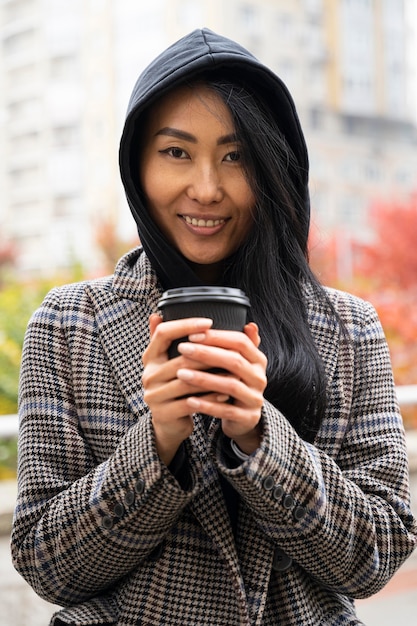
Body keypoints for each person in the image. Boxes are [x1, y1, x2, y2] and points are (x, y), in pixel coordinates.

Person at [11, 28, 416, 626]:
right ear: (137, 165)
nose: (206, 188)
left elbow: (376, 557)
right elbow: (46, 566)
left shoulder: (348, 328)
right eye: (176, 152)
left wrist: (260, 436)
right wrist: (157, 442)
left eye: (236, 156)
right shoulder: (69, 325)